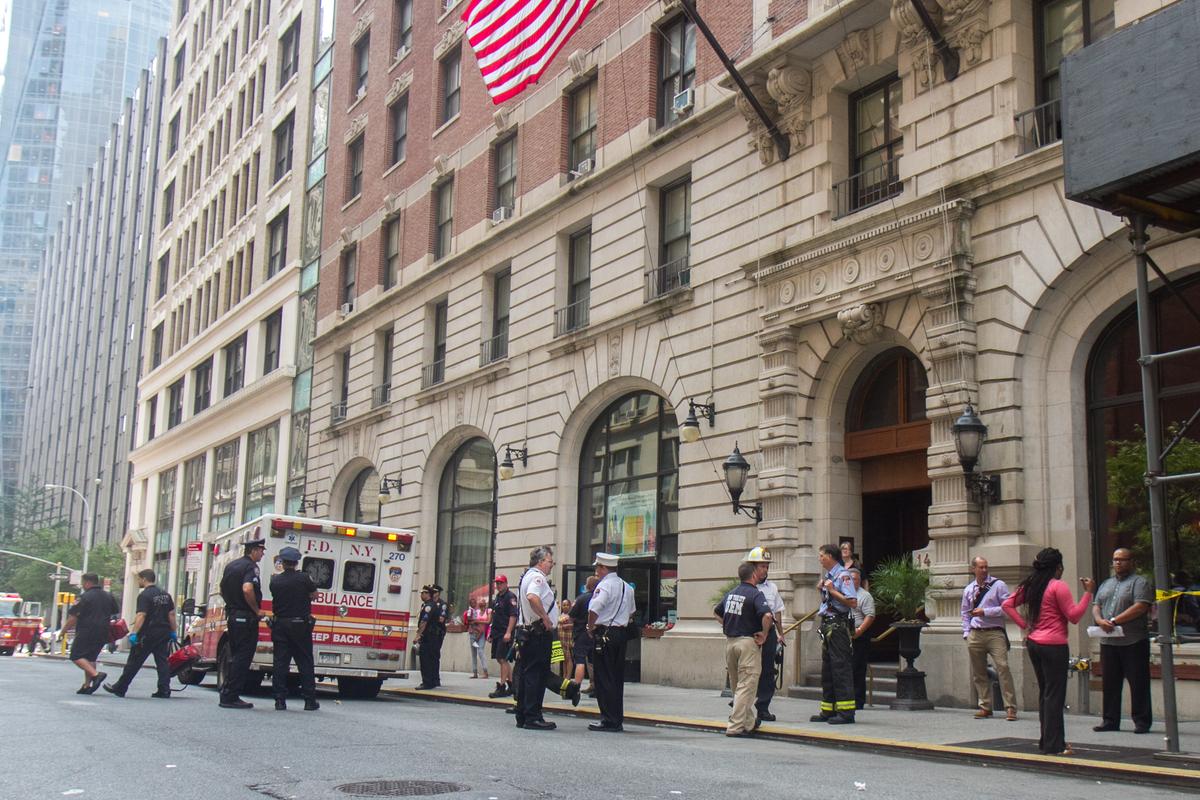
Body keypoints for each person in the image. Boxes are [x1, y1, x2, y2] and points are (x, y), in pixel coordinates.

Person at [1002, 547, 1094, 755]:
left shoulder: (1032, 585)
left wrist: (1025, 625)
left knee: (1046, 693)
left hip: (1035, 642)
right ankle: (1054, 744)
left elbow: (1007, 604)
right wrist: (1088, 593)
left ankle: (1048, 740)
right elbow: (1074, 616)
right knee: (1055, 695)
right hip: (1054, 644)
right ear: (1058, 567)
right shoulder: (1058, 586)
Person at [1092, 547, 1153, 734]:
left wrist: (1115, 621)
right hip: (1109, 641)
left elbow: (1140, 606)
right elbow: (1096, 605)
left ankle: (1141, 721)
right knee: (1110, 682)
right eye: (1115, 559)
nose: (1118, 563)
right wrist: (1099, 620)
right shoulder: (1106, 583)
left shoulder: (1139, 582)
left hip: (1133, 641)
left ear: (1131, 562)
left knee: (1138, 682)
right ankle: (1110, 720)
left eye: (1122, 559)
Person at [714, 561, 773, 737]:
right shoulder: (756, 594)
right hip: (748, 643)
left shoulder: (731, 593)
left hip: (731, 643)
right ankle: (735, 726)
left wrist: (729, 624)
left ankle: (748, 723)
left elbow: (716, 612)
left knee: (737, 686)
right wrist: (764, 634)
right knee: (746, 686)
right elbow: (767, 615)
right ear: (753, 575)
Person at [103, 569, 175, 699]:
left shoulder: (144, 595)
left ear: (144, 579)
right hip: (163, 632)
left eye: (139, 579)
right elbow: (171, 614)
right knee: (162, 662)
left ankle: (120, 687)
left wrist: (134, 633)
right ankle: (164, 689)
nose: (138, 582)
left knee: (134, 661)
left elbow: (141, 615)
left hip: (147, 633)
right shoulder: (165, 595)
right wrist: (173, 631)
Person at [961, 556, 1018, 721]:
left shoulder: (998, 585)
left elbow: (1007, 608)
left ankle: (1010, 707)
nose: (984, 570)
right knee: (978, 672)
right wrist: (966, 632)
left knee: (1003, 667)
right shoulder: (969, 589)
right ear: (973, 569)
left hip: (995, 633)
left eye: (986, 567)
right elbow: (965, 612)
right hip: (975, 633)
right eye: (981, 567)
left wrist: (985, 611)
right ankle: (985, 706)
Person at [586, 552, 636, 732]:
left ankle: (608, 718)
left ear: (603, 568)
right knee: (616, 677)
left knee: (603, 677)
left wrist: (590, 626)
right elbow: (631, 611)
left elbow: (594, 609)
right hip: (620, 633)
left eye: (598, 568)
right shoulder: (626, 587)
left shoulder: (604, 586)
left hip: (604, 633)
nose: (596, 571)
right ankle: (616, 718)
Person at [811, 543, 857, 725]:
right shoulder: (829, 576)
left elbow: (852, 602)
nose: (820, 559)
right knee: (828, 670)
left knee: (840, 668)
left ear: (830, 556)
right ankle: (828, 710)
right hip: (828, 625)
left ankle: (846, 712)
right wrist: (823, 591)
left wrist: (832, 590)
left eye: (821, 555)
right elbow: (829, 602)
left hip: (838, 627)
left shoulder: (843, 575)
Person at [218, 537, 267, 709]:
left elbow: (221, 589)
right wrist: (256, 610)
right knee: (243, 657)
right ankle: (231, 696)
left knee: (235, 655)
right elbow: (247, 589)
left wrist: (232, 604)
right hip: (246, 618)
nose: (262, 554)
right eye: (261, 551)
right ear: (253, 551)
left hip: (233, 616)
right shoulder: (251, 567)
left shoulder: (231, 565)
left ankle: (227, 692)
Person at [269, 546, 319, 711]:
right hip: (300, 625)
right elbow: (315, 595)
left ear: (282, 563)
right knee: (305, 662)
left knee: (280, 664)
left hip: (280, 625)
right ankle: (309, 700)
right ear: (296, 562)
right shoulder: (304, 578)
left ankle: (279, 700)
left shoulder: (275, 580)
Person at [515, 545, 558, 730]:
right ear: (540, 562)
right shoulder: (537, 578)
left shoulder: (527, 576)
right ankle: (533, 716)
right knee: (536, 675)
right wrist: (545, 617)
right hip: (538, 634)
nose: (552, 565)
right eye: (550, 561)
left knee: (527, 674)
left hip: (529, 632)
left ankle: (523, 714)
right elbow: (533, 597)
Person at [745, 547, 785, 723]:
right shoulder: (746, 586)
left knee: (768, 671)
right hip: (751, 632)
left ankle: (763, 708)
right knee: (748, 670)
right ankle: (743, 706)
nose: (765, 570)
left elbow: (777, 611)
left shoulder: (772, 587)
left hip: (769, 633)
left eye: (767, 566)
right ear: (753, 567)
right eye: (762, 566)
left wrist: (781, 634)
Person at [61, 573, 118, 694]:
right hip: (103, 631)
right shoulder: (108, 596)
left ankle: (96, 675)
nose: (82, 585)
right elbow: (114, 611)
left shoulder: (84, 597)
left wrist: (63, 631)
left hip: (86, 630)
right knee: (91, 657)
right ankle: (87, 685)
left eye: (82, 583)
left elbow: (73, 617)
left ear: (87, 583)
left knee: (76, 655)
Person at [848, 567, 875, 711]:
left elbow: (870, 616)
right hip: (845, 636)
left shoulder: (865, 596)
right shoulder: (842, 594)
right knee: (847, 668)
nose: (854, 581)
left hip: (860, 636)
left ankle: (858, 700)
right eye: (851, 579)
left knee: (857, 668)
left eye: (856, 579)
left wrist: (859, 631)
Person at [487, 575, 519, 698]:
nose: (498, 585)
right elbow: (495, 617)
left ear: (506, 583)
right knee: (500, 658)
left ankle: (502, 686)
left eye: (501, 583)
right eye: (497, 583)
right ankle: (511, 685)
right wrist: (491, 634)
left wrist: (509, 632)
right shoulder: (498, 597)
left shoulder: (510, 597)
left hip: (505, 632)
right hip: (497, 632)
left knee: (502, 659)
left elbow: (513, 616)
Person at [568, 576, 599, 697]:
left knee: (580, 660)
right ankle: (596, 687)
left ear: (588, 586)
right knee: (594, 662)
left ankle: (576, 687)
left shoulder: (581, 599)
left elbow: (571, 617)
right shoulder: (600, 598)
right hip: (596, 633)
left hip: (581, 633)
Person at [416, 585, 447, 689]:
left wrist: (418, 635)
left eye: (423, 593)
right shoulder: (430, 604)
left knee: (427, 659)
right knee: (431, 658)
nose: (421, 595)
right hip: (432, 635)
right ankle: (432, 680)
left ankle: (428, 682)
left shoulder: (430, 606)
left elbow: (424, 621)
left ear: (427, 594)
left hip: (430, 636)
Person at [465, 596, 491, 680]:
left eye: (483, 602)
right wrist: (472, 625)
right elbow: (469, 621)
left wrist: (476, 621)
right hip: (474, 633)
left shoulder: (488, 611)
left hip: (482, 634)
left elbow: (488, 621)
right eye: (480, 603)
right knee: (474, 653)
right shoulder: (475, 611)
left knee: (480, 651)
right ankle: (475, 672)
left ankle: (485, 671)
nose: (482, 604)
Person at [556, 599, 574, 679]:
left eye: (567, 605)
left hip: (568, 638)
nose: (565, 606)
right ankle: (564, 675)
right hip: (561, 638)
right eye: (564, 605)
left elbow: (575, 624)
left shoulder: (572, 615)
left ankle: (568, 677)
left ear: (570, 606)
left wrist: (568, 626)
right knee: (564, 659)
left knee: (569, 657)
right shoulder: (560, 615)